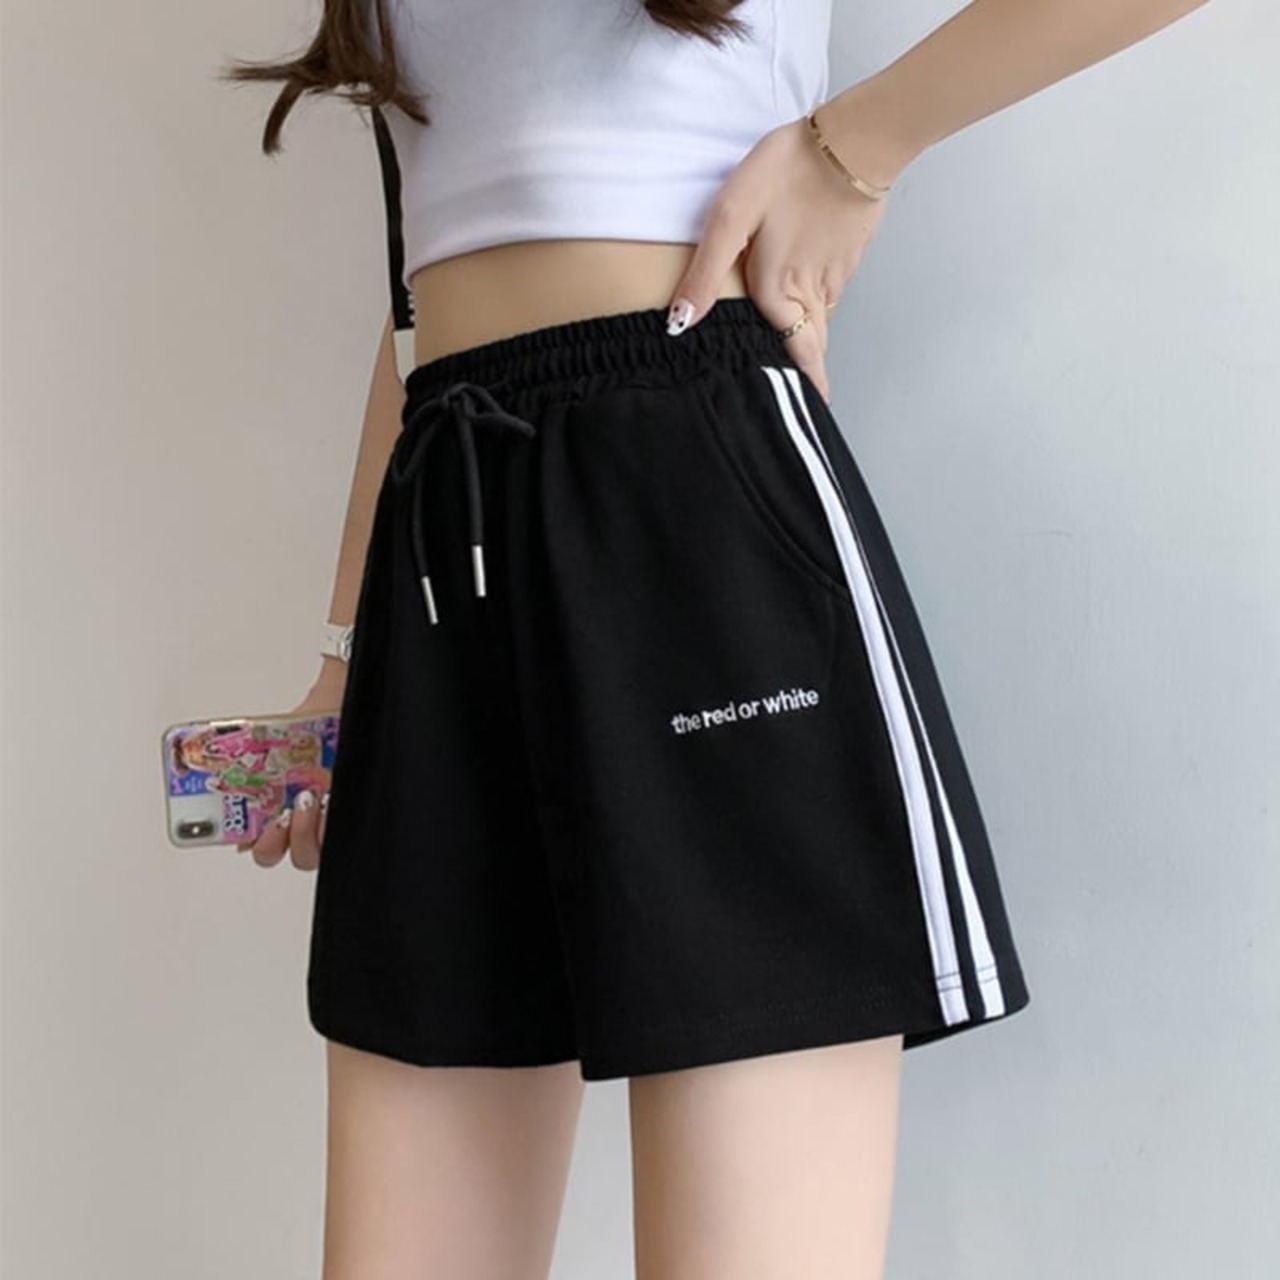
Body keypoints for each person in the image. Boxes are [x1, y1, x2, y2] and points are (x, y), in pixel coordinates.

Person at [220, 2, 1211, 1275]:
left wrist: (852, 148)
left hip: (691, 493)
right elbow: (420, 304)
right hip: (444, 536)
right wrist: (344, 657)